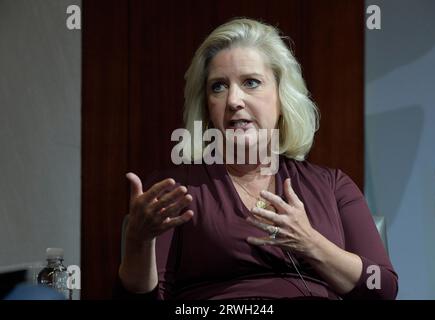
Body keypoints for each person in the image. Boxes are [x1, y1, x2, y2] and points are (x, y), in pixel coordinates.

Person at [116, 18, 398, 300]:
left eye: (251, 82)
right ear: (206, 107)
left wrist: (310, 243)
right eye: (218, 87)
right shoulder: (176, 189)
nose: (233, 100)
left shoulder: (333, 185)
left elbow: (381, 287)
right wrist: (138, 242)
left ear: (282, 98)